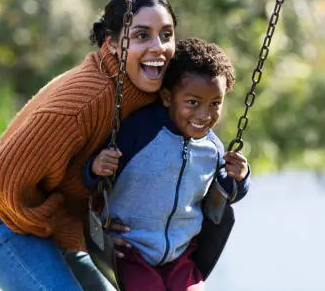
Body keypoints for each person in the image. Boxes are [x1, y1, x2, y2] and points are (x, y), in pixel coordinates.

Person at [0, 0, 178, 291]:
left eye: (166, 35)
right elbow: (3, 182)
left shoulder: (154, 87)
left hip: (48, 211)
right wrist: (77, 233)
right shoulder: (85, 101)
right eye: (142, 36)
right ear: (113, 44)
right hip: (2, 214)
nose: (158, 48)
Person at [84, 38, 251, 291]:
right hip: (131, 250)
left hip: (181, 253)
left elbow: (223, 195)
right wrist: (95, 168)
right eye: (193, 102)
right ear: (166, 97)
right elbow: (96, 178)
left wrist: (240, 178)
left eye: (215, 103)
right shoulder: (139, 132)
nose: (204, 114)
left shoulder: (213, 149)